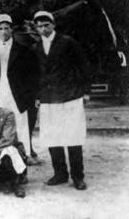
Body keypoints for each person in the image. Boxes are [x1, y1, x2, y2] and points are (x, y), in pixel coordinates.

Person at [32, 11, 89, 190]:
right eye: (39, 26)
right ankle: (60, 174)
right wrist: (37, 96)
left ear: (53, 24)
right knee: (52, 137)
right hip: (48, 99)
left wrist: (86, 91)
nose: (43, 28)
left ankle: (78, 177)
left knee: (73, 136)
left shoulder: (68, 42)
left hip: (70, 96)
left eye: (46, 25)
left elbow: (83, 66)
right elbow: (34, 75)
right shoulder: (35, 47)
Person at [0, 14, 39, 163]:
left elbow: (32, 74)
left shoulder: (23, 50)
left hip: (17, 92)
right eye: (0, 29)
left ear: (12, 29)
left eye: (6, 28)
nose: (3, 32)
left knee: (20, 122)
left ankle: (26, 154)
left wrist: (31, 95)